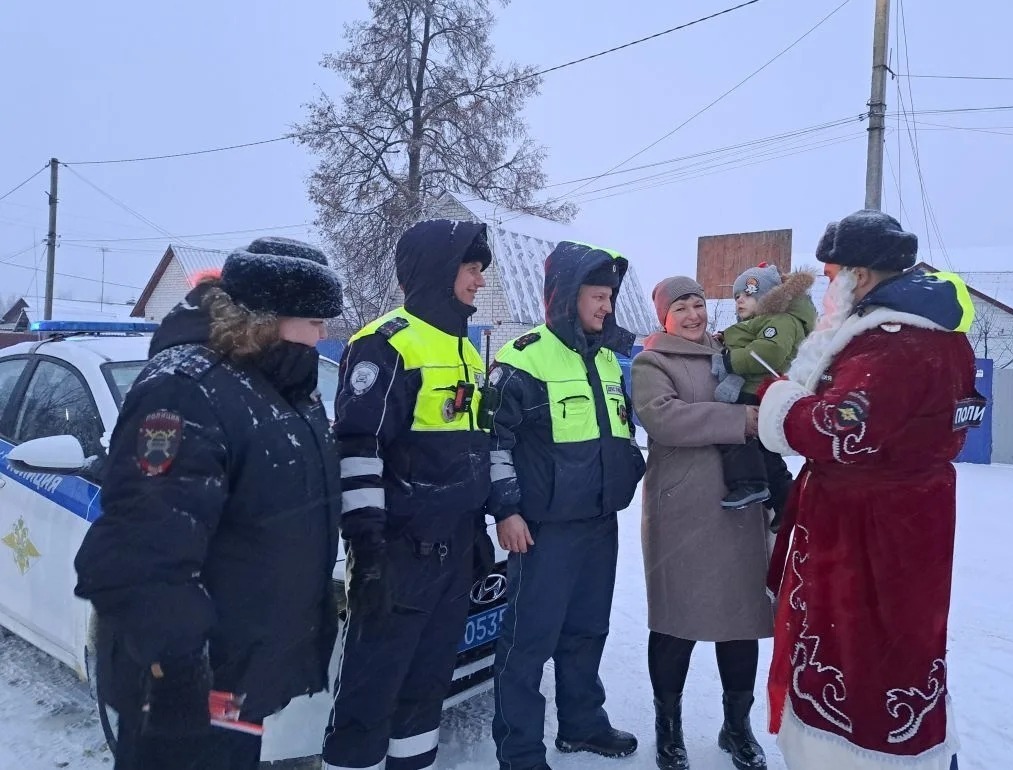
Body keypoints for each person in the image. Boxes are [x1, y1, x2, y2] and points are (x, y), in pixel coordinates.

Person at [74, 236, 345, 770]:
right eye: (315, 322)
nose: (324, 335)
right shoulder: (186, 391)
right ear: (267, 319)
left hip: (241, 671)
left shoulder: (283, 390)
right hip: (188, 683)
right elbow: (142, 547)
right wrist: (174, 670)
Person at [757, 211, 983, 770]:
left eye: (833, 274)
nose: (828, 286)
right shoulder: (939, 337)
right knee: (902, 649)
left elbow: (836, 427)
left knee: (862, 656)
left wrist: (779, 402)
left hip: (868, 535)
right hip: (908, 523)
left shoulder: (894, 344)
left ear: (859, 275)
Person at [322, 220, 494, 770]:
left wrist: (474, 529)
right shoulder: (386, 343)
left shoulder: (465, 348)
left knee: (426, 690)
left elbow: (470, 449)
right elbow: (358, 450)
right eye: (471, 268)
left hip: (451, 551)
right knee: (370, 693)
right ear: (440, 270)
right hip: (397, 554)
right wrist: (367, 550)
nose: (480, 281)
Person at [485, 241, 647, 770]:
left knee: (587, 631)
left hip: (599, 523)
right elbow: (493, 441)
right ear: (567, 296)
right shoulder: (524, 358)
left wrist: (629, 467)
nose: (606, 306)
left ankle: (582, 725)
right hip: (543, 529)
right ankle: (520, 752)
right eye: (597, 296)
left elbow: (619, 429)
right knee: (527, 643)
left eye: (610, 297)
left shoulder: (607, 358)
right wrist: (506, 509)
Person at [631, 276, 775, 770]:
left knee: (741, 622)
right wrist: (739, 420)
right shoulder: (653, 361)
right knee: (676, 623)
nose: (693, 315)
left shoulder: (731, 352)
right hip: (681, 511)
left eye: (697, 304)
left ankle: (737, 727)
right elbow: (663, 418)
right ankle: (668, 729)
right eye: (681, 308)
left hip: (741, 507)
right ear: (664, 317)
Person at [712, 262, 816, 519]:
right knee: (765, 453)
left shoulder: (781, 320)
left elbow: (769, 351)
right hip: (758, 388)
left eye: (748, 295)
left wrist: (731, 360)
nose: (740, 300)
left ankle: (750, 483)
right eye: (737, 296)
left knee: (736, 434)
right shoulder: (763, 321)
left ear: (770, 298)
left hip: (758, 389)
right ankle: (785, 503)